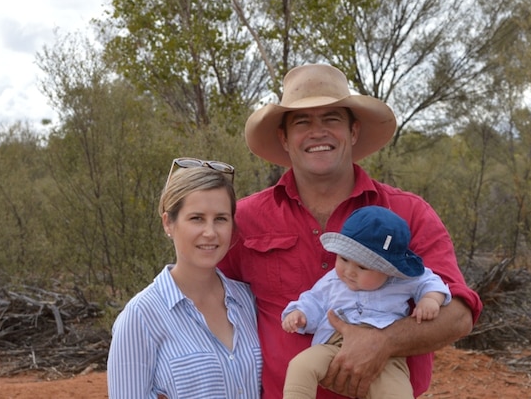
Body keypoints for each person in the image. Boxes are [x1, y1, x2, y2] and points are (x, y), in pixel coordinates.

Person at [218, 63, 483, 399]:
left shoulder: (409, 212)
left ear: (353, 131)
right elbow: (203, 301)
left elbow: (459, 315)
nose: (318, 132)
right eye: (302, 122)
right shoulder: (244, 218)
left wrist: (384, 341)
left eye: (331, 119)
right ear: (284, 138)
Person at [107, 158, 262, 399]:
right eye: (196, 218)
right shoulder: (140, 317)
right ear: (168, 222)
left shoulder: (249, 301)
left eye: (220, 218)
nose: (210, 233)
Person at [281, 205, 452, 399]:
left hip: (386, 358)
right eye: (344, 259)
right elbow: (314, 300)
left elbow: (430, 281)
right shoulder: (332, 281)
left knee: (396, 392)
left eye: (362, 267)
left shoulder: (401, 280)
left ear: (389, 269)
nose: (349, 271)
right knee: (301, 365)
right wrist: (300, 315)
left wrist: (430, 299)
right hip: (333, 346)